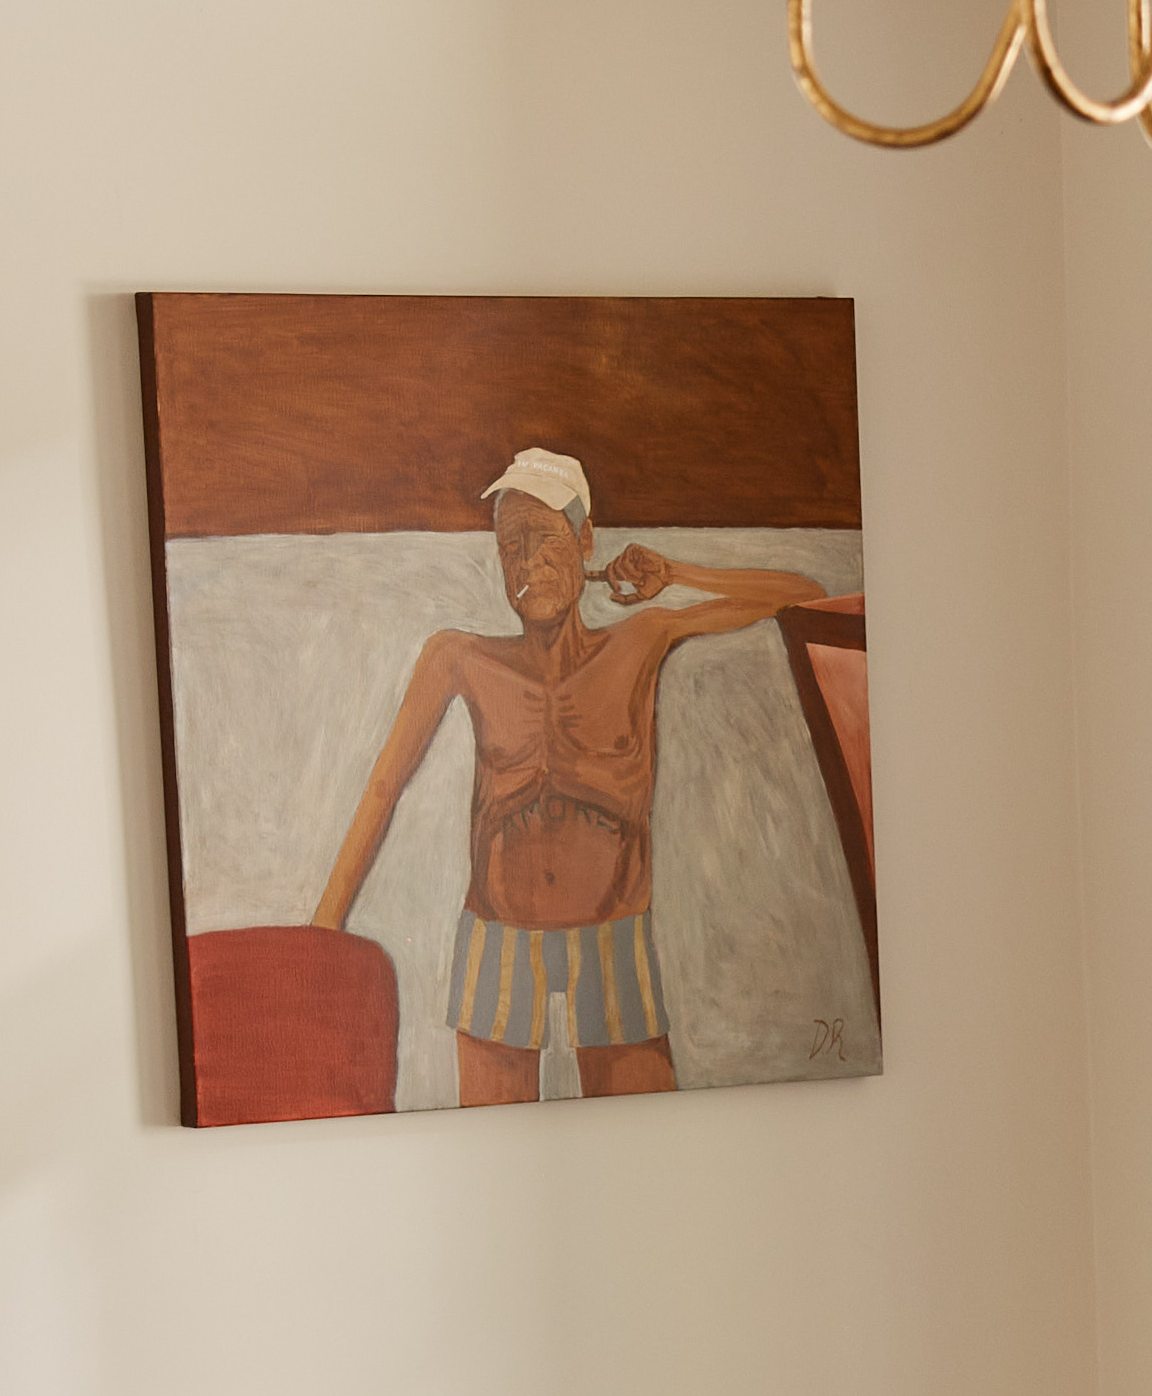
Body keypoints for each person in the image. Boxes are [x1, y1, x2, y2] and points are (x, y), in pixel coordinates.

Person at [309, 445, 854, 1103]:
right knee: (491, 1145)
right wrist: (321, 935)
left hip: (613, 938)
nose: (526, 563)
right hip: (496, 936)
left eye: (543, 539)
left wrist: (674, 570)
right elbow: (382, 790)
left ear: (585, 541)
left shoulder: (641, 641)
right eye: (510, 546)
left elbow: (803, 594)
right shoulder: (459, 657)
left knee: (641, 1135)